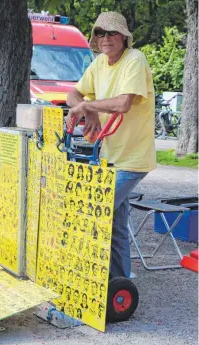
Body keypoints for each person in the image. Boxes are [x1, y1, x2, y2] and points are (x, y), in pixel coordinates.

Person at [66, 11, 156, 279]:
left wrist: (86, 105)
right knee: (116, 226)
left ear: (124, 38)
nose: (106, 38)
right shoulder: (99, 63)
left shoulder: (134, 60)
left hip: (132, 159)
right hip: (109, 157)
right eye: (101, 33)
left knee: (88, 211)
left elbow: (122, 104)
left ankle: (80, 277)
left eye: (112, 33)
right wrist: (88, 110)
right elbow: (73, 94)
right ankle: (119, 283)